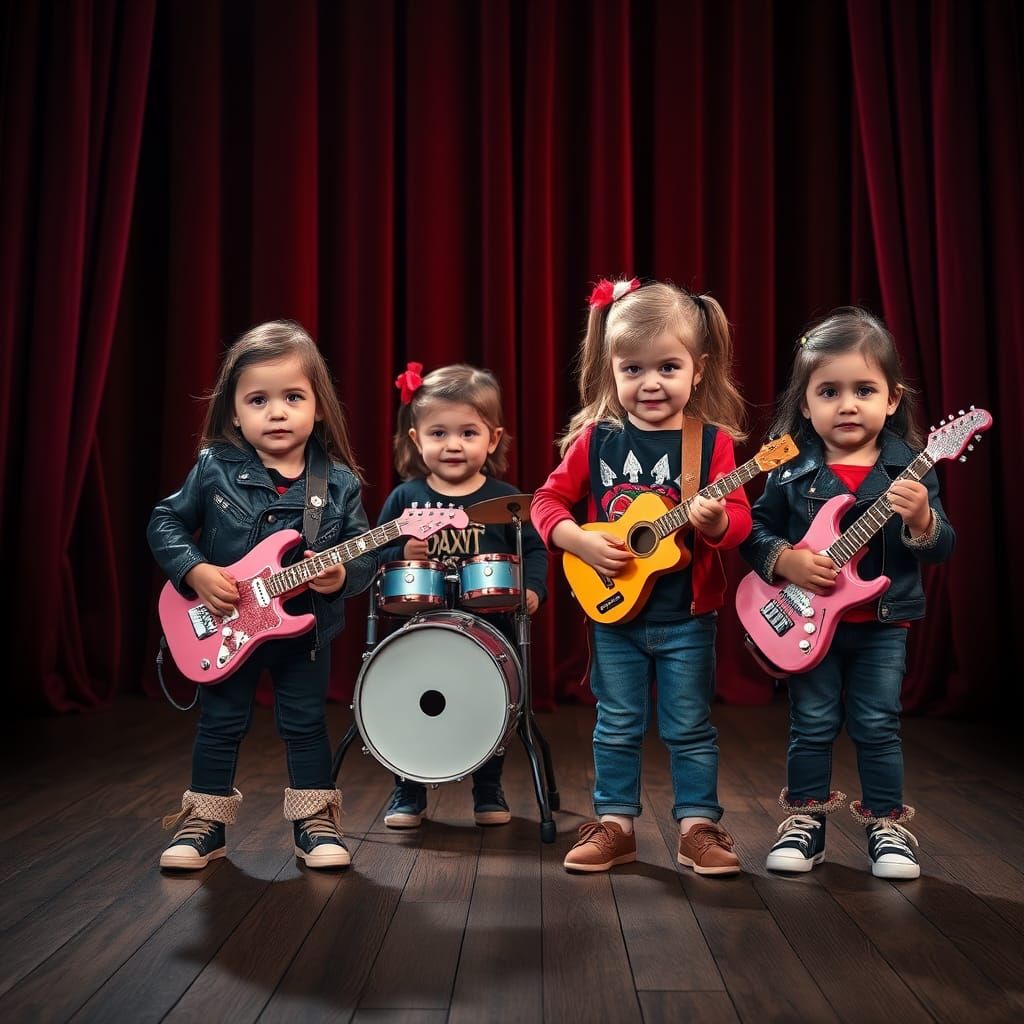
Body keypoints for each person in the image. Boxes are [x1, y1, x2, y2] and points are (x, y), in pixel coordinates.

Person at [532, 277, 751, 875]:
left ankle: (698, 827)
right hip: (616, 617)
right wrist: (578, 539)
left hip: (687, 618)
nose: (650, 383)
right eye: (632, 369)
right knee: (617, 723)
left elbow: (738, 524)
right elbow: (545, 504)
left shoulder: (711, 446)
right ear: (611, 370)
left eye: (667, 367)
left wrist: (711, 523)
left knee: (689, 725)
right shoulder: (594, 441)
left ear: (698, 370)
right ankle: (616, 825)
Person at [148, 320, 377, 870]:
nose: (276, 411)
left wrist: (343, 577)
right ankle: (204, 823)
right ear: (234, 412)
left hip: (303, 635)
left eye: (292, 397)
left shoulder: (338, 483)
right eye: (259, 399)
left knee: (304, 723)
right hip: (224, 626)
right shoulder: (215, 467)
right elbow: (165, 521)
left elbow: (363, 554)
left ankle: (314, 822)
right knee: (221, 722)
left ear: (318, 407)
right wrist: (195, 570)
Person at [740, 307, 955, 879]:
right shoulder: (792, 470)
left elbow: (940, 549)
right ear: (805, 403)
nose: (847, 404)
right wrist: (786, 559)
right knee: (810, 723)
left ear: (892, 398)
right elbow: (752, 532)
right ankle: (806, 822)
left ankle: (888, 826)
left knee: (878, 723)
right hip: (808, 624)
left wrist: (921, 523)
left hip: (881, 625)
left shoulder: (911, 469)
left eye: (864, 389)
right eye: (828, 391)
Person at [374, 362, 548, 828]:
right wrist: (402, 548)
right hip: (418, 627)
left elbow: (533, 550)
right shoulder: (405, 499)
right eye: (438, 433)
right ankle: (407, 794)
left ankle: (488, 790)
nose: (453, 445)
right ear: (416, 440)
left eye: (468, 433)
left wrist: (532, 588)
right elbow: (373, 556)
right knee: (408, 704)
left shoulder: (508, 499)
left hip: (490, 625)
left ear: (492, 439)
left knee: (486, 705)